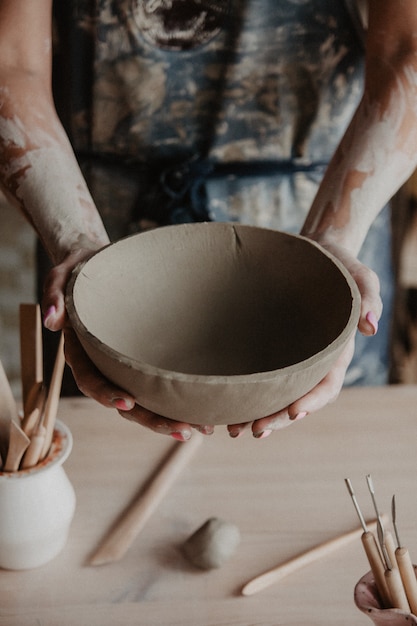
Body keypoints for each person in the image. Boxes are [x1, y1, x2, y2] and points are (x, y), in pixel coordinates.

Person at [0, 0, 414, 440]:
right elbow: (11, 62)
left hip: (318, 237)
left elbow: (407, 50)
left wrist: (334, 238)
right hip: (97, 234)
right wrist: (75, 241)